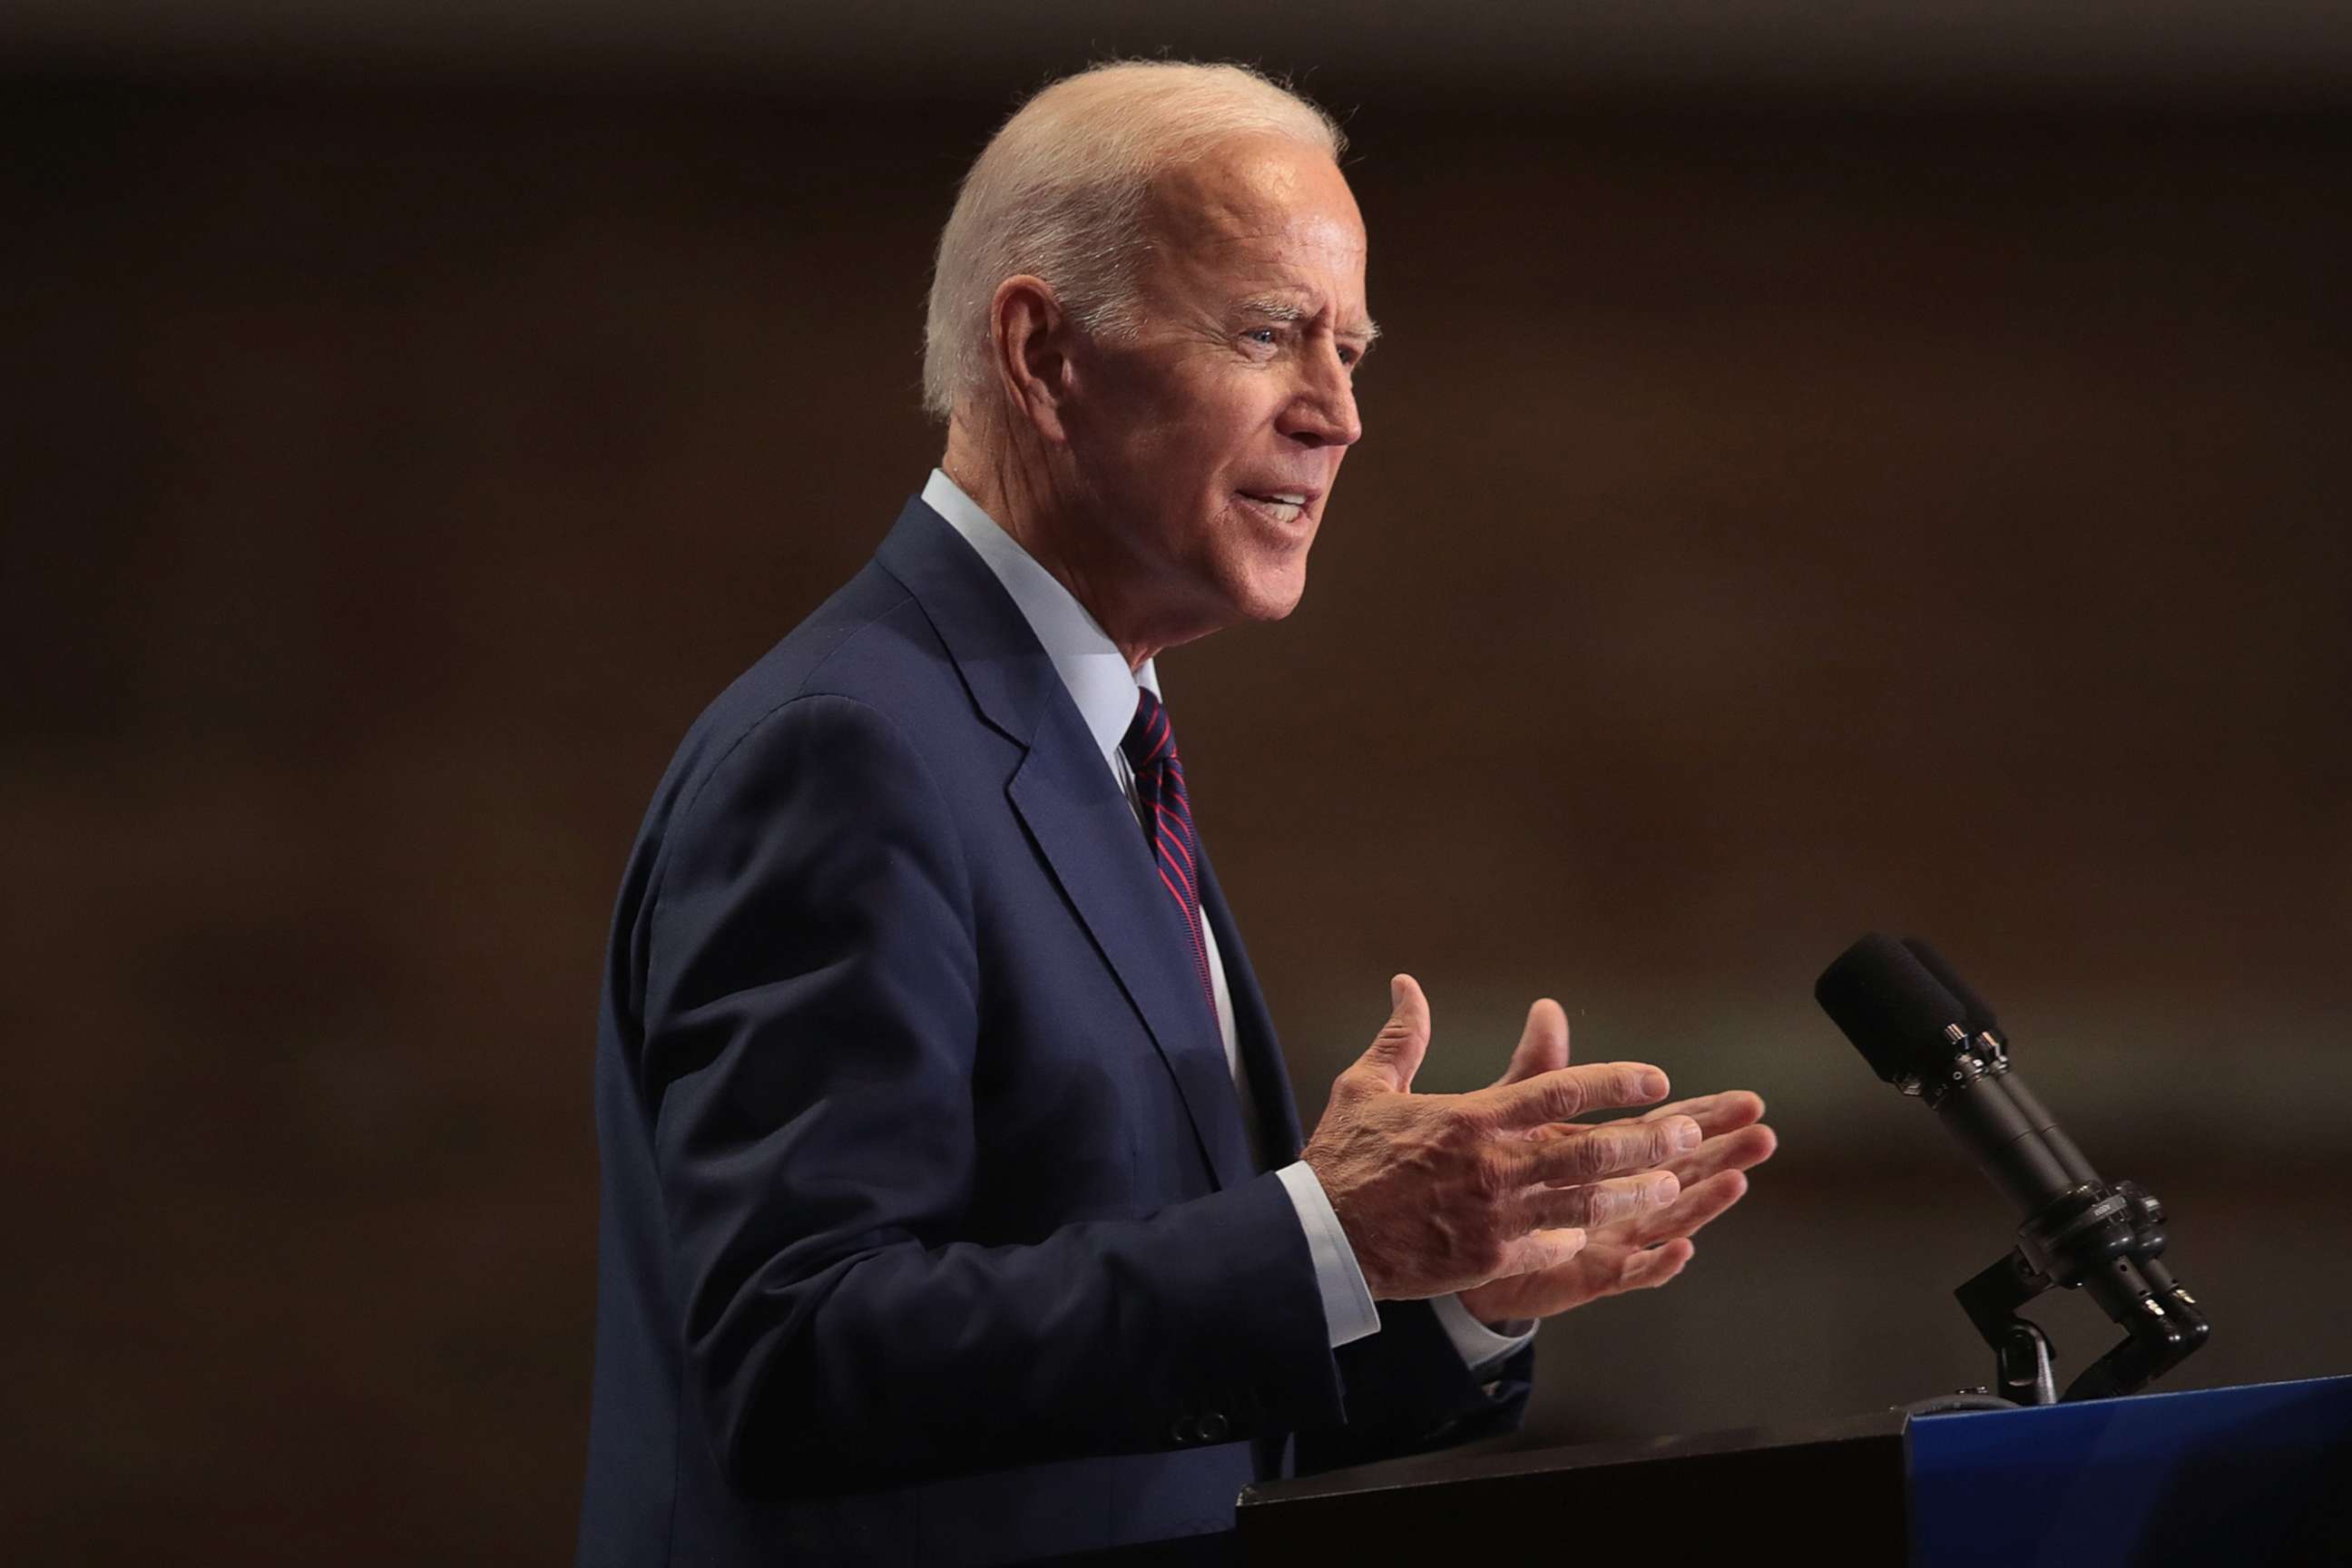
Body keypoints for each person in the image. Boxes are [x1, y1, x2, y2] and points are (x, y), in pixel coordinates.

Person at [577, 60, 1776, 1568]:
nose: (1338, 413)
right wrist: (1323, 1235)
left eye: (1352, 349)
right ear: (1042, 351)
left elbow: (1165, 1402)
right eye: (1271, 333)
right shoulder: (849, 751)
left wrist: (1444, 1291)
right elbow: (802, 1355)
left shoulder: (1094, 739)